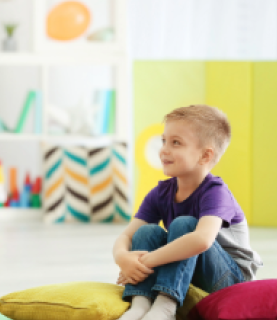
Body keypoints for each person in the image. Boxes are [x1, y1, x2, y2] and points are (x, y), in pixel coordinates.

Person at [112, 105, 263, 320]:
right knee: (147, 232)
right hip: (190, 270)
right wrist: (123, 258)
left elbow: (201, 240)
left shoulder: (215, 192)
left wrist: (143, 263)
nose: (164, 149)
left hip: (230, 278)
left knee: (185, 225)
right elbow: (127, 235)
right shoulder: (161, 192)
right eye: (164, 140)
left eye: (176, 143)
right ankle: (140, 304)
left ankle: (165, 308)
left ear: (205, 155)